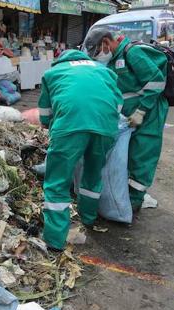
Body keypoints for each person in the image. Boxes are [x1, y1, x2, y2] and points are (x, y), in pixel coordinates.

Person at [39, 49, 123, 251]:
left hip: (69, 128)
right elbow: (118, 105)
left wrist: (53, 128)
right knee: (93, 174)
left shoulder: (53, 73)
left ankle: (54, 240)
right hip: (105, 127)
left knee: (57, 182)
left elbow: (44, 114)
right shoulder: (104, 71)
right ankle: (88, 218)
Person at [83, 28, 169, 212]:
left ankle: (134, 201)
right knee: (127, 156)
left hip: (150, 113)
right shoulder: (114, 59)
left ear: (106, 42)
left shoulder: (133, 53)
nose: (98, 57)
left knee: (142, 156)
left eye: (97, 52)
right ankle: (125, 196)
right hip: (130, 117)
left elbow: (156, 82)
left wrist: (141, 111)